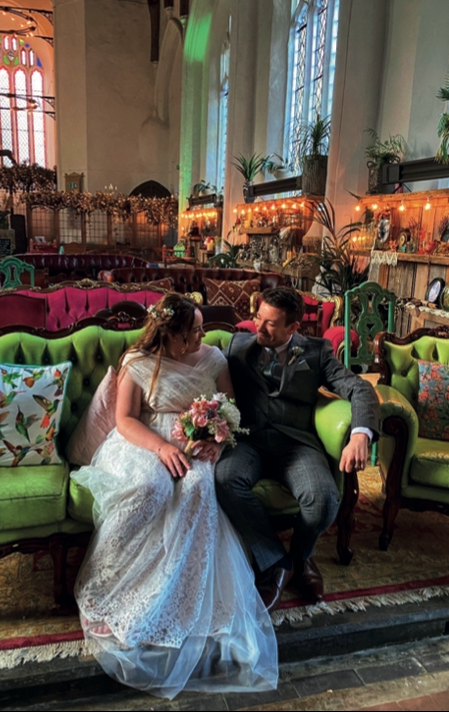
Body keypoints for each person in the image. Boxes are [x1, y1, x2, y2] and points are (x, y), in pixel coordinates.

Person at [71, 293, 278, 700]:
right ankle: (112, 586)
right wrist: (161, 448)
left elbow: (229, 408)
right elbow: (126, 419)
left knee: (199, 489)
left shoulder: (214, 359)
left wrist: (218, 441)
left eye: (202, 328)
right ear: (173, 335)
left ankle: (181, 598)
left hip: (197, 442)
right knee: (151, 489)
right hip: (144, 441)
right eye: (195, 330)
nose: (204, 334)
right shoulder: (138, 361)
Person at [215, 287, 380, 613]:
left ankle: (300, 558)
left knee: (323, 499)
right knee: (224, 479)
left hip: (296, 444)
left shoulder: (317, 352)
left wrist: (361, 434)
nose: (258, 328)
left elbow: (359, 387)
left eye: (270, 324)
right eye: (258, 318)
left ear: (293, 328)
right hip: (248, 441)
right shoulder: (237, 345)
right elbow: (195, 364)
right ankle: (277, 561)